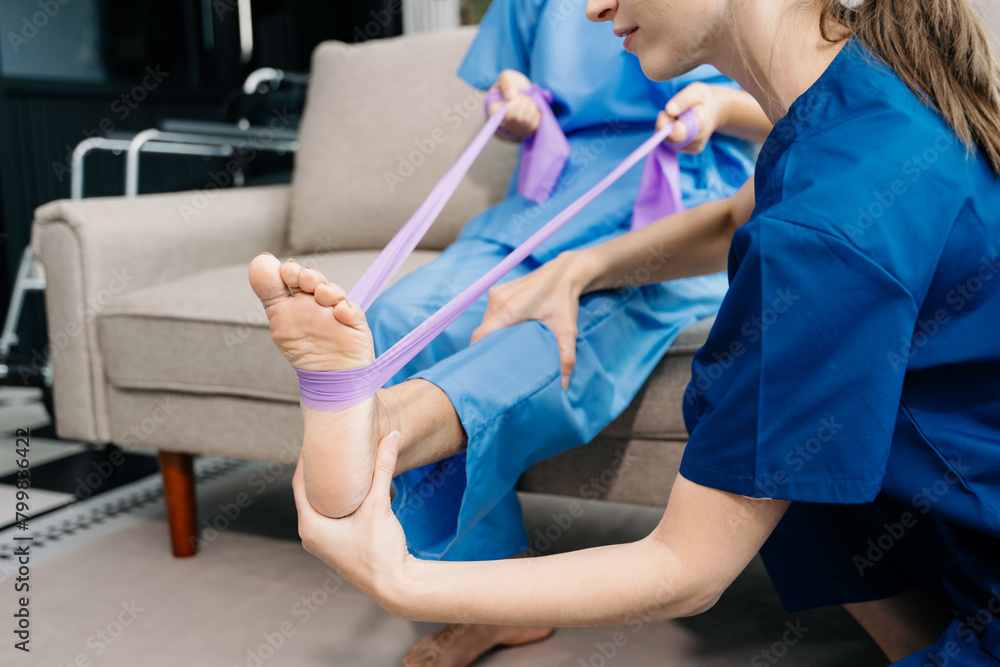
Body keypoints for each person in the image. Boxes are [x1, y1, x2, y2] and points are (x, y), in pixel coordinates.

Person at [254, 0, 1000, 664]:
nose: (593, 6)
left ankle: (381, 420)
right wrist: (583, 267)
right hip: (962, 541)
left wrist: (404, 578)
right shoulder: (860, 102)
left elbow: (688, 566)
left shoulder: (830, 218)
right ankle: (380, 417)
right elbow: (737, 218)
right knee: (779, 432)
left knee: (752, 418)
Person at [254, 0, 769, 664]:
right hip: (544, 201)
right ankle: (440, 520)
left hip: (664, 207)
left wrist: (721, 108)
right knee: (394, 318)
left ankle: (372, 441)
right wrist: (513, 101)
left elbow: (795, 97)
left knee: (524, 342)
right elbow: (509, 85)